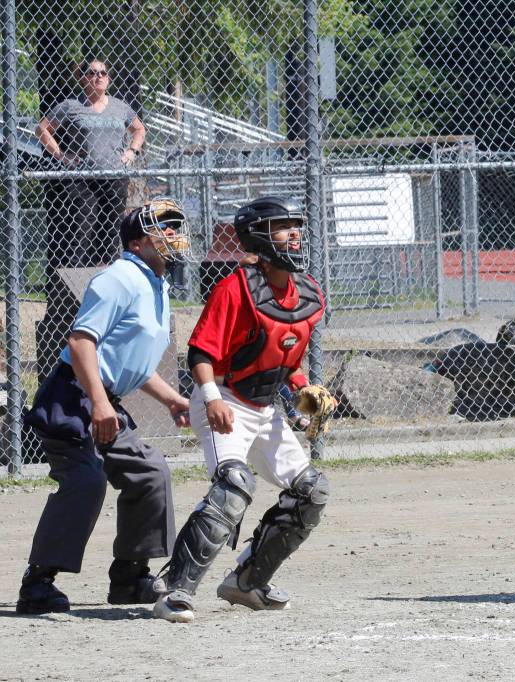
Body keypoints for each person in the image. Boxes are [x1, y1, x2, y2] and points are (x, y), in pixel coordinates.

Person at [153, 196, 335, 624]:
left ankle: (248, 581)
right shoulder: (235, 287)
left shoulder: (308, 294)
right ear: (258, 236)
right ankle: (176, 590)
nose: (294, 234)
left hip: (263, 407)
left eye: (296, 227)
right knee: (234, 483)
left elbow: (286, 364)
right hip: (222, 397)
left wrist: (304, 400)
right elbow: (201, 353)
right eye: (282, 227)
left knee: (312, 490)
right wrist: (212, 398)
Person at [17, 199, 193, 615]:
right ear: (136, 241)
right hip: (72, 396)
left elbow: (129, 360)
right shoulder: (119, 278)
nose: (173, 234)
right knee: (86, 480)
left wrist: (172, 400)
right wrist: (98, 403)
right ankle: (38, 583)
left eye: (175, 227)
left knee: (149, 472)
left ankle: (130, 577)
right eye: (162, 229)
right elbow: (81, 343)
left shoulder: (156, 284)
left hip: (102, 399)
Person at [36, 58, 146, 270]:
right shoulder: (71, 106)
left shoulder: (120, 107)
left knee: (110, 233)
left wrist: (131, 151)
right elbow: (42, 130)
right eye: (92, 73)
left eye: (103, 73)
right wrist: (61, 155)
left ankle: (108, 278)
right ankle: (79, 282)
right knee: (81, 231)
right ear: (83, 78)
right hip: (82, 180)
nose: (98, 77)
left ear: (108, 79)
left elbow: (139, 129)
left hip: (114, 178)